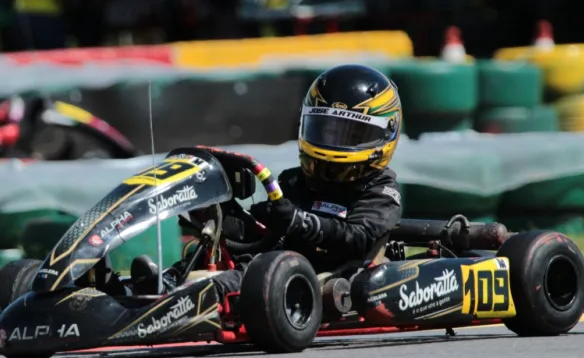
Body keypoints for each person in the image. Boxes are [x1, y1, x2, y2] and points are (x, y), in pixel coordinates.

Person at [139, 64, 404, 299]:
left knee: (249, 275)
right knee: (215, 246)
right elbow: (269, 232)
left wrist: (298, 221)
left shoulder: (381, 190)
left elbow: (358, 238)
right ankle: (161, 284)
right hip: (279, 264)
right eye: (325, 130)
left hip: (325, 273)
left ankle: (185, 300)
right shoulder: (297, 180)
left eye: (349, 134)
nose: (332, 142)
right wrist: (229, 219)